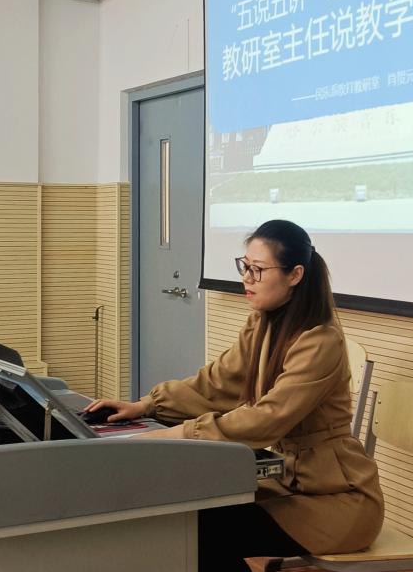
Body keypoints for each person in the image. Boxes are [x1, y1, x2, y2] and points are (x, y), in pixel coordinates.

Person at [85, 219, 384, 571]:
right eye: (245, 266)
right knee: (187, 517)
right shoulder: (262, 322)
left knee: (204, 532)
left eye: (258, 270)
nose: (247, 279)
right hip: (290, 484)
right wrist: (145, 405)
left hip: (338, 502)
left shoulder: (321, 341)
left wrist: (177, 435)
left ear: (295, 275)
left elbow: (266, 419)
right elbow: (217, 384)